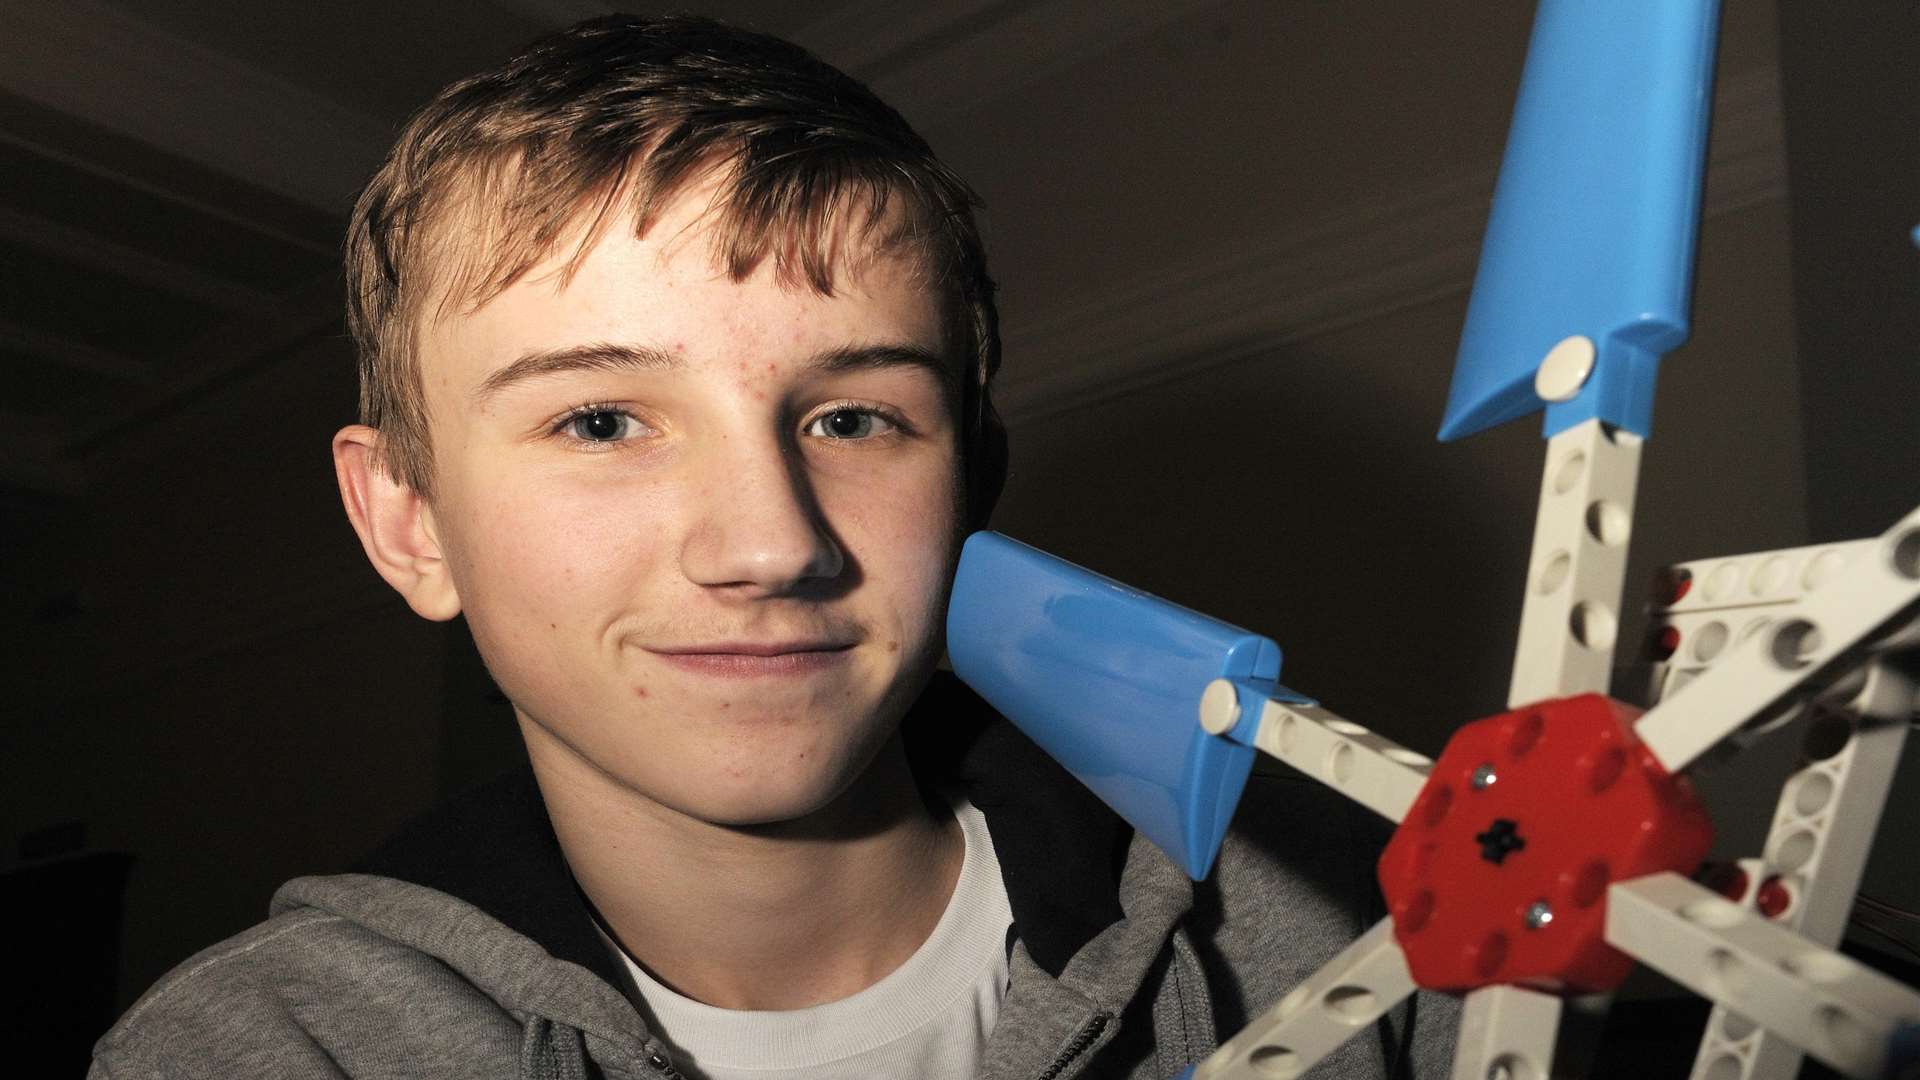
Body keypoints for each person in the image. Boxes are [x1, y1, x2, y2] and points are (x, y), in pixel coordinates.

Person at [89, 14, 1451, 1079]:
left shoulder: (1359, 913)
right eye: (604, 419)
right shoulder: (261, 1052)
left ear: (972, 480)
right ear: (408, 521)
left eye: (855, 415)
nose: (765, 544)